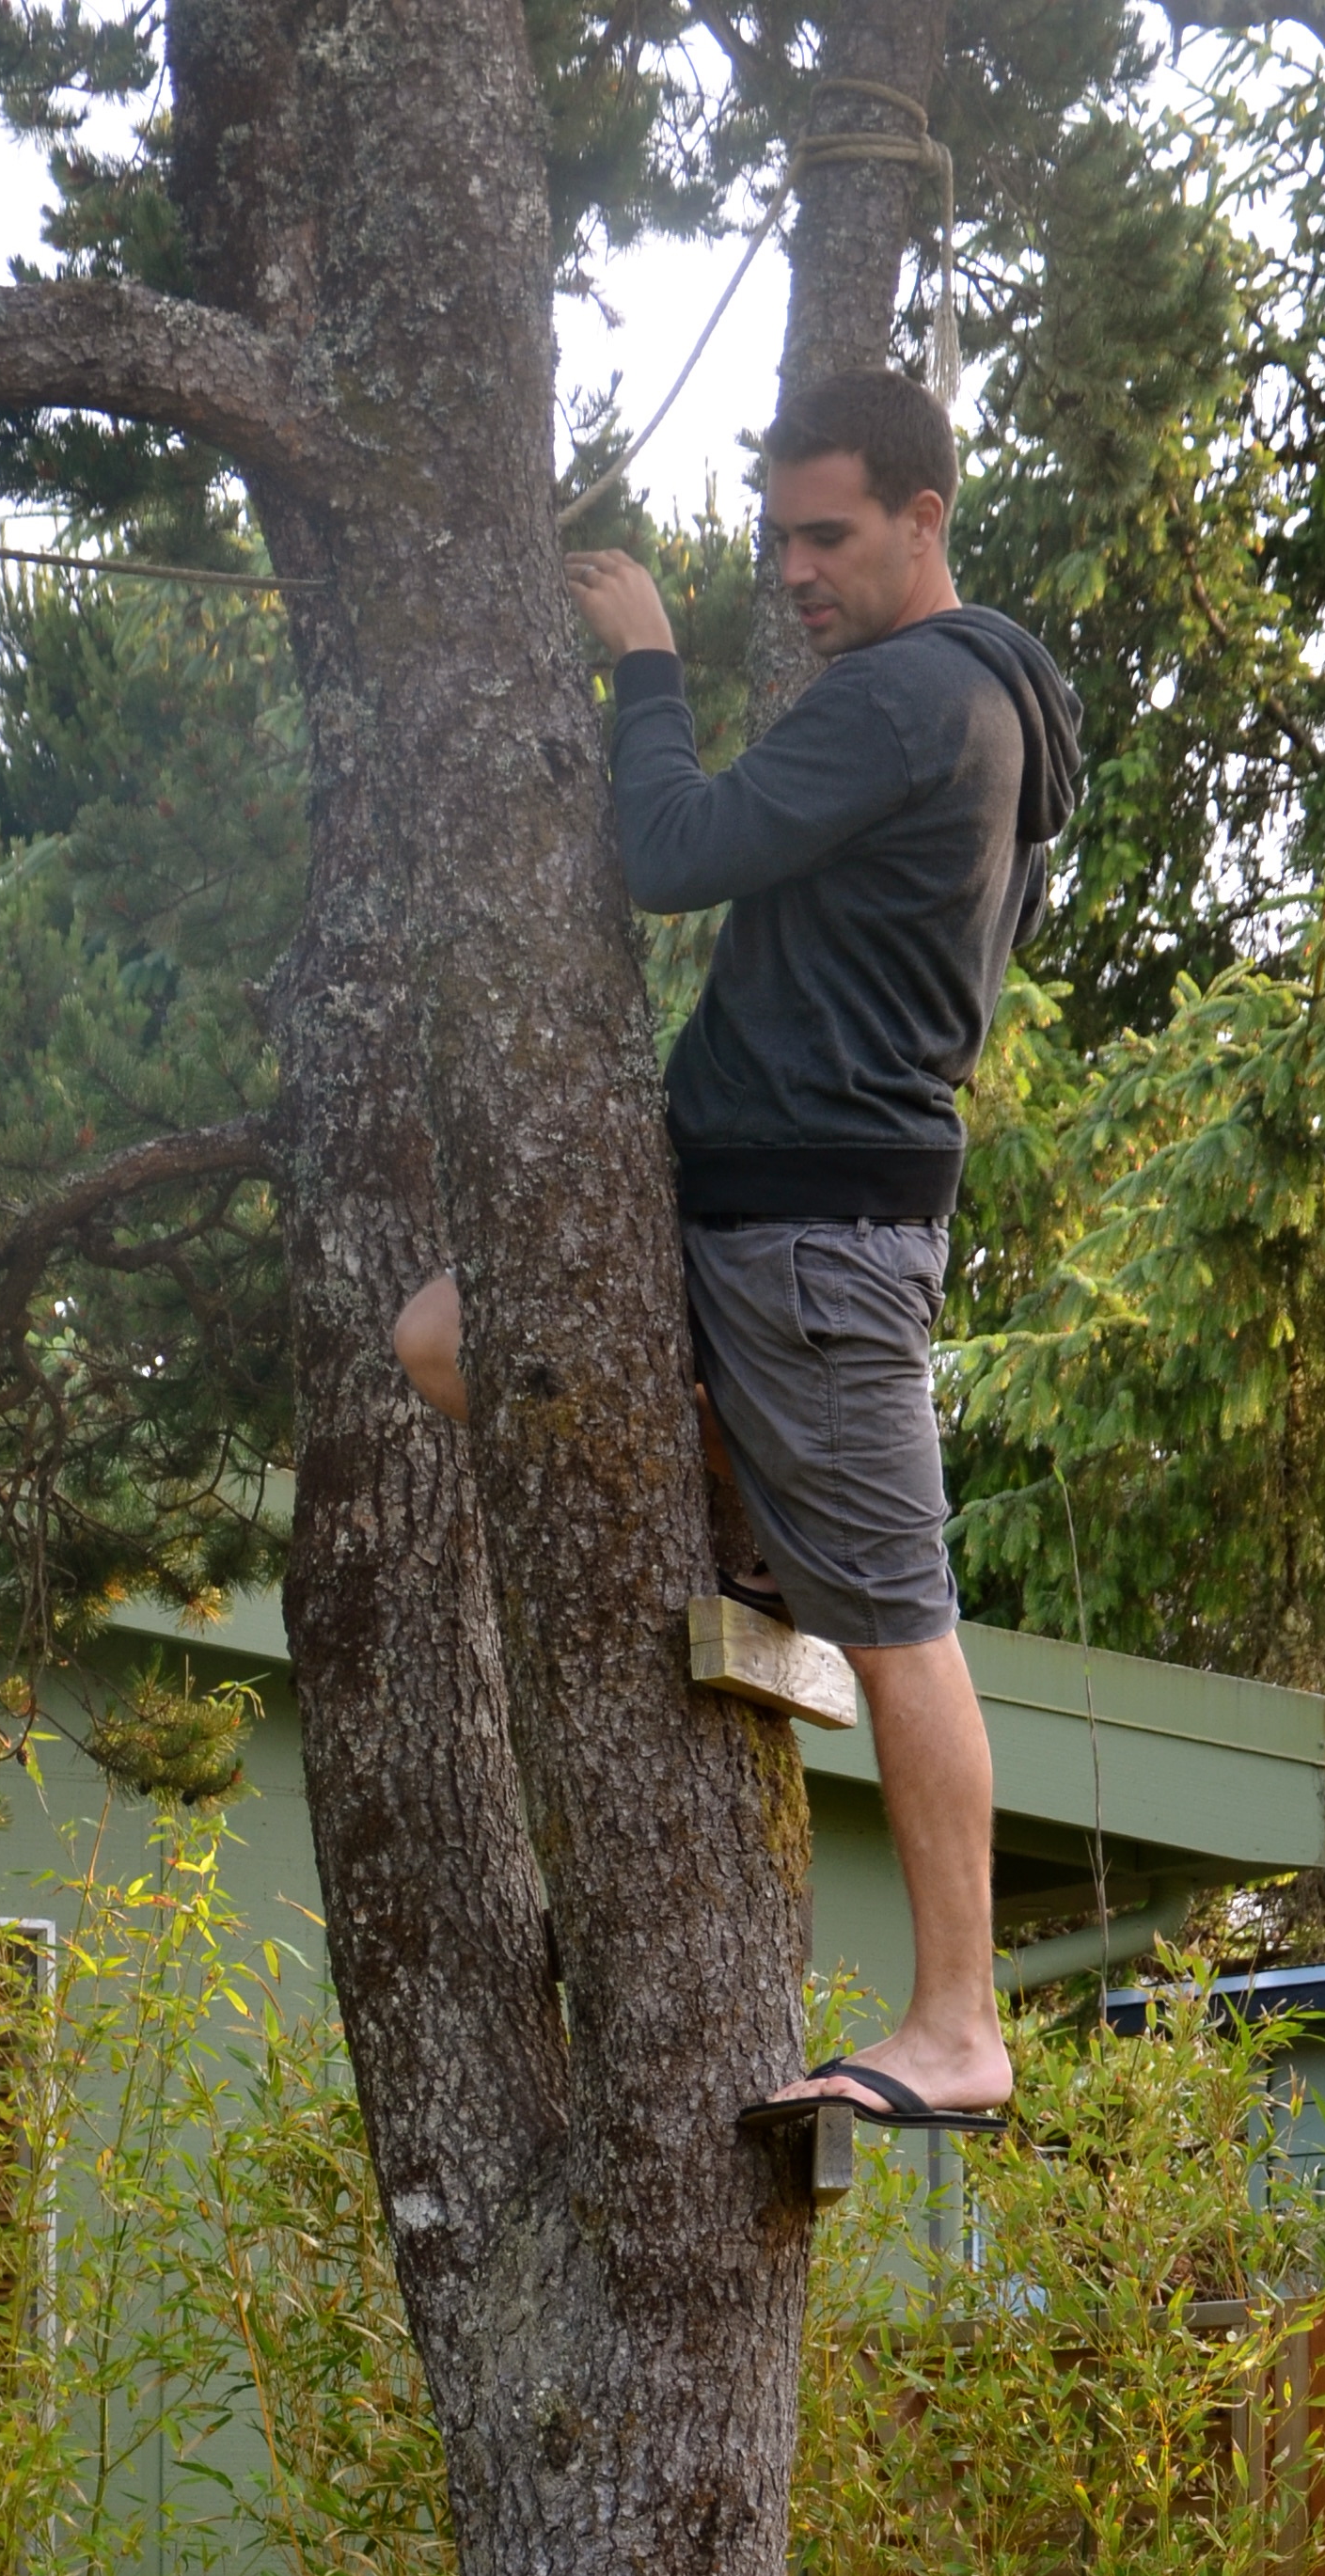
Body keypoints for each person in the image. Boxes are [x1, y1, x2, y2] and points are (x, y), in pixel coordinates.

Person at [393, 363, 1081, 2138]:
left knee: (902, 1627)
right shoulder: (958, 702)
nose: (792, 571)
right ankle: (751, 1526)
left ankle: (958, 2023)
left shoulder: (916, 695)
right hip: (738, 1208)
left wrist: (644, 663)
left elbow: (668, 849)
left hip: (814, 1234)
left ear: (924, 518)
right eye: (778, 537)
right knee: (444, 1339)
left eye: (826, 536)